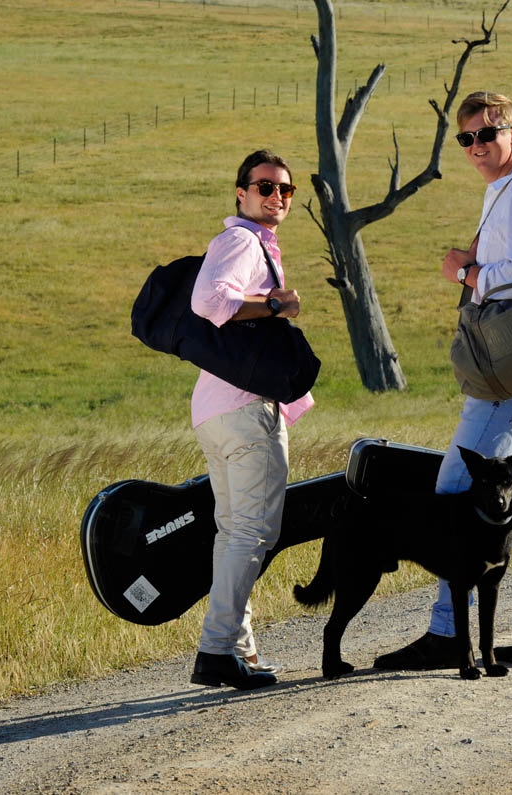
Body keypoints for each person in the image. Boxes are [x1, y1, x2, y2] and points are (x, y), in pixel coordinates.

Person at [374, 91, 512, 671]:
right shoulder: (510, 189)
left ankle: (447, 633)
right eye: (466, 139)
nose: (476, 147)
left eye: (487, 135)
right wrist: (476, 261)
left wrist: (466, 272)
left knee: (454, 484)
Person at [188, 149, 314, 690]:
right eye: (265, 187)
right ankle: (217, 650)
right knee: (253, 532)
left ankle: (236, 649)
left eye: (286, 190)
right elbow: (209, 302)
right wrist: (275, 306)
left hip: (217, 410)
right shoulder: (241, 241)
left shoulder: (251, 243)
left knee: (233, 532)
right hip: (242, 411)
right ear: (240, 193)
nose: (277, 197)